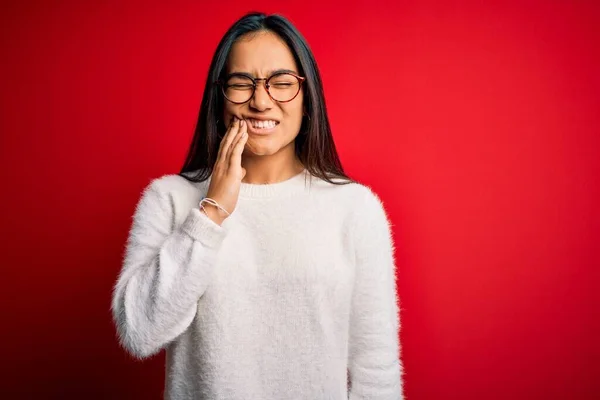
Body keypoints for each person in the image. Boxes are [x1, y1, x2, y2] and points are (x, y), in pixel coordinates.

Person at [111, 11, 404, 400]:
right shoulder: (170, 199)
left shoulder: (355, 209)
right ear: (219, 98)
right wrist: (211, 212)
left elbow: (376, 368)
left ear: (308, 99)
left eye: (282, 83)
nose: (261, 101)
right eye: (241, 83)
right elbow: (139, 332)